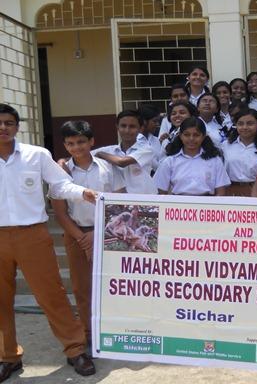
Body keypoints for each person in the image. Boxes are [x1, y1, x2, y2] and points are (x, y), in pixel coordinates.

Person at [0, 104, 97, 382]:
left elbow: (60, 185)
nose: (3, 127)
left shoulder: (36, 155)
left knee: (52, 294)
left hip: (32, 234)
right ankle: (7, 356)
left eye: (8, 122)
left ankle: (75, 349)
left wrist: (82, 192)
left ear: (17, 126)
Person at [50, 120, 125, 348]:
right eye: (71, 143)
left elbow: (119, 204)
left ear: (91, 141)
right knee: (82, 288)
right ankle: (89, 333)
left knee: (113, 284)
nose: (77, 147)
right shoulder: (60, 171)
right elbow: (60, 212)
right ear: (65, 145)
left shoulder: (107, 167)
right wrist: (82, 237)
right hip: (76, 235)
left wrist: (97, 233)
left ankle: (115, 330)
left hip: (109, 231)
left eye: (81, 142)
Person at [154, 117, 230, 196]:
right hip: (178, 202)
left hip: (208, 202)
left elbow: (221, 192)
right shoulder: (170, 161)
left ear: (203, 136)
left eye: (196, 135)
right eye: (186, 135)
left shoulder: (215, 160)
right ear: (180, 136)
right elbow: (161, 192)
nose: (191, 139)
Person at [94, 110, 157, 194]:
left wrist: (100, 154)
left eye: (132, 126)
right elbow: (84, 155)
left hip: (145, 198)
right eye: (123, 126)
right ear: (117, 127)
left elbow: (122, 162)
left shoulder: (146, 149)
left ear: (140, 129)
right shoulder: (109, 150)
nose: (127, 130)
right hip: (120, 199)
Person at [222, 108, 257, 196]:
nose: (245, 127)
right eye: (240, 124)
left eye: (250, 123)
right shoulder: (226, 145)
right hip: (230, 192)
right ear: (235, 125)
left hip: (256, 192)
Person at [138, 104, 162, 172]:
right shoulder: (132, 141)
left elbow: (161, 160)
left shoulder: (156, 140)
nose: (157, 124)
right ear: (144, 121)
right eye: (154, 121)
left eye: (158, 121)